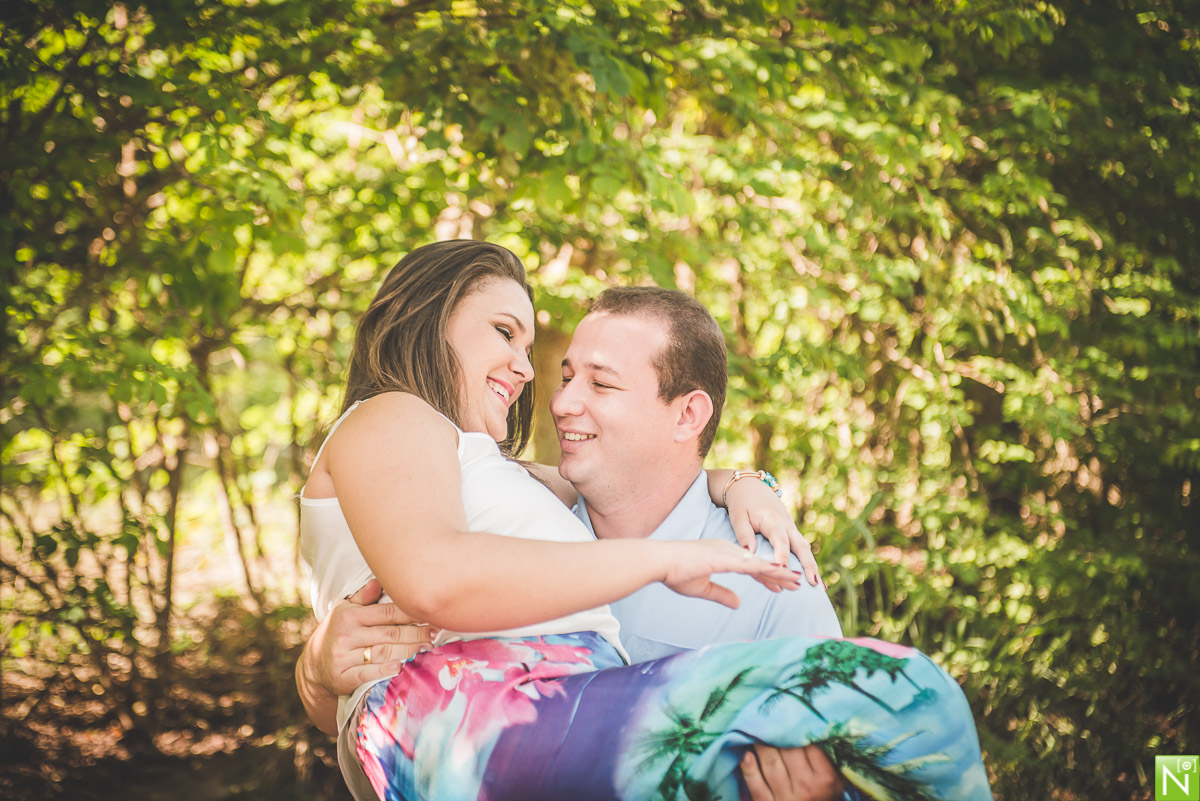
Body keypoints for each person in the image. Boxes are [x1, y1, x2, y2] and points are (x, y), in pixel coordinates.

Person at [297, 239, 994, 801]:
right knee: (912, 694)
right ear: (426, 317)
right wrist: (315, 668)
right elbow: (434, 576)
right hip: (489, 703)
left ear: (688, 415)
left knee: (897, 707)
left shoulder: (492, 472)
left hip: (538, 702)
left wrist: (742, 482)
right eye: (506, 333)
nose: (542, 385)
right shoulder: (395, 415)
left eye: (598, 382)